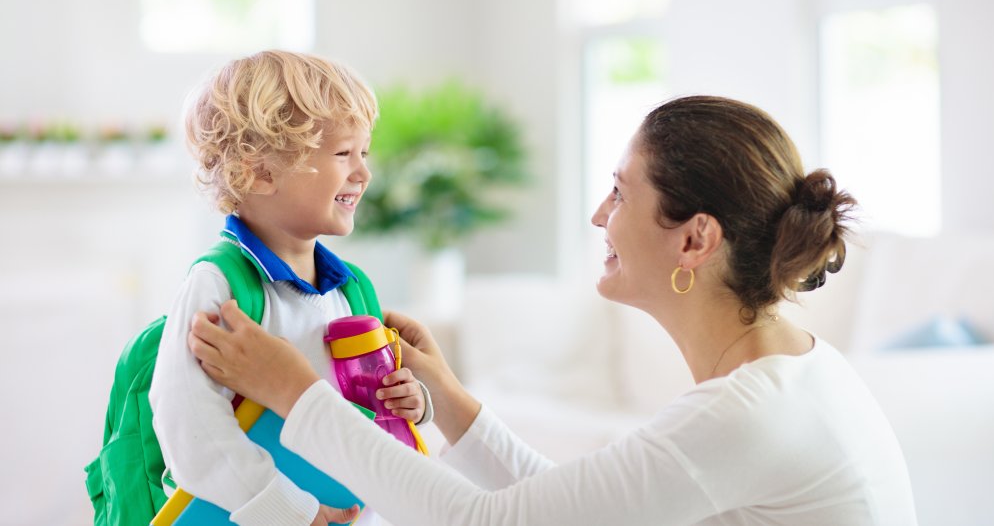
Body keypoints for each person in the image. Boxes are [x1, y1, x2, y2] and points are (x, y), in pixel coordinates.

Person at [187, 95, 918, 525]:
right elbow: (566, 511)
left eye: (622, 192)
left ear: (695, 238)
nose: (601, 216)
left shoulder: (745, 415)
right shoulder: (796, 373)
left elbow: (488, 523)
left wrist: (295, 392)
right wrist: (448, 400)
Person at [149, 50, 431, 526]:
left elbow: (370, 416)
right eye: (343, 153)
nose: (363, 173)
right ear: (256, 171)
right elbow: (188, 422)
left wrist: (415, 401)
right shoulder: (220, 284)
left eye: (364, 153)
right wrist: (289, 511)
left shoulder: (352, 289)